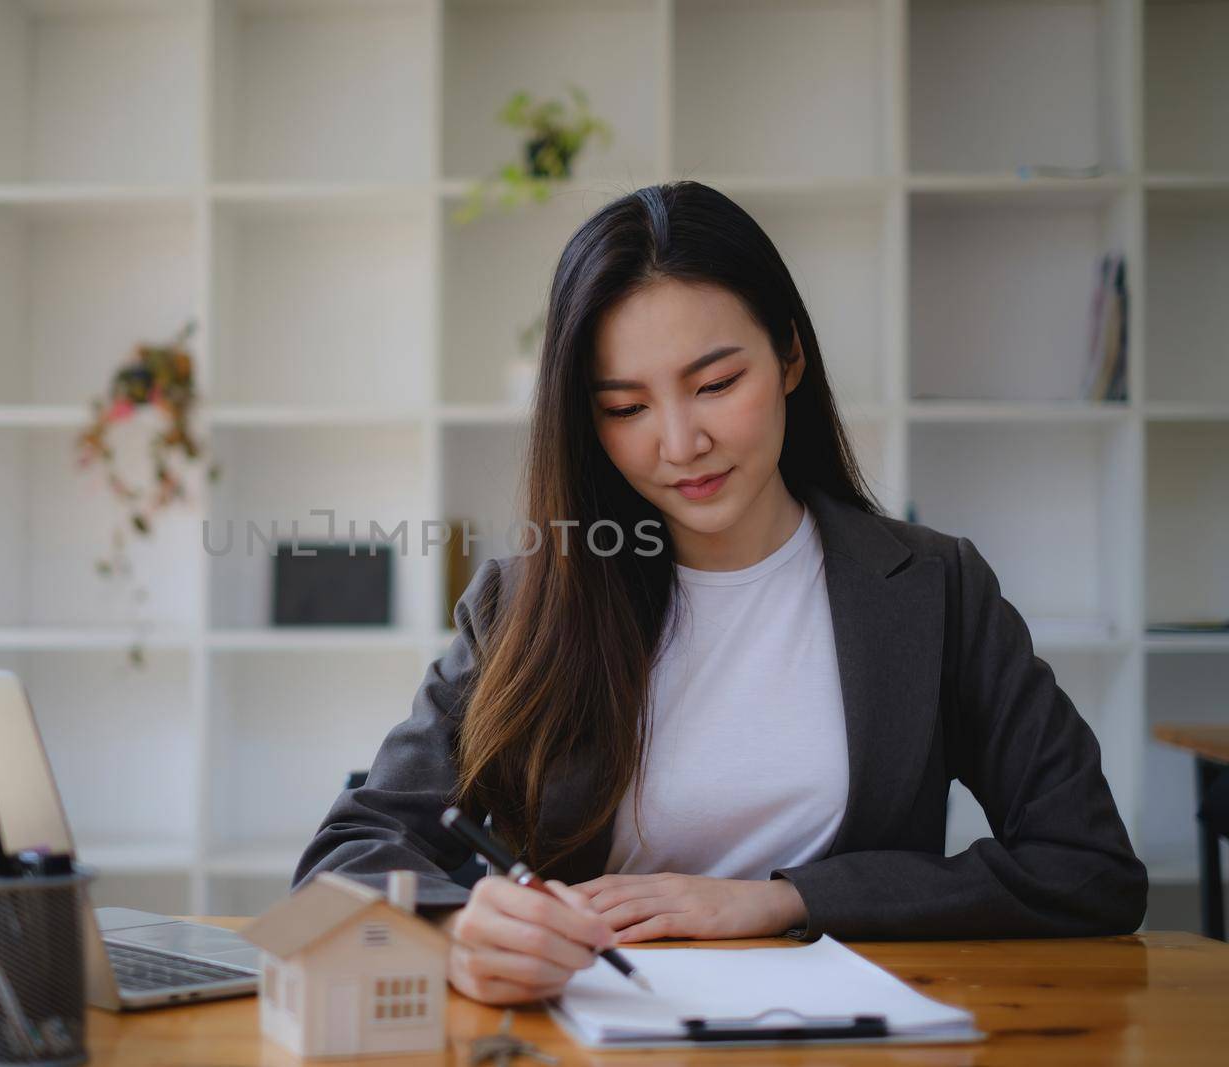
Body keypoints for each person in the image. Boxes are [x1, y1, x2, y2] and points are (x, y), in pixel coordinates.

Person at [292, 181, 1147, 1006]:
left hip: (851, 1038)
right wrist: (457, 933)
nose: (679, 442)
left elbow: (1089, 866)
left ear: (790, 356)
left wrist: (788, 897)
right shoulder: (526, 604)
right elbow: (343, 860)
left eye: (714, 384)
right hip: (594, 1031)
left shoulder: (933, 590)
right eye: (626, 406)